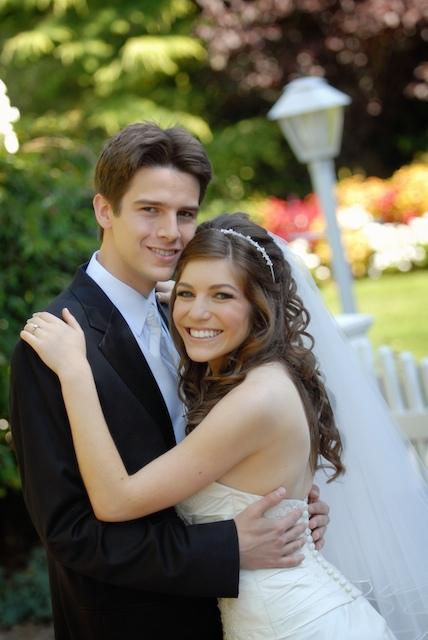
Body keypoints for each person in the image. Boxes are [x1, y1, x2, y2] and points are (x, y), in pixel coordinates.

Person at [10, 124, 329, 640]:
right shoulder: (54, 347)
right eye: (150, 210)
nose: (171, 232)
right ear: (104, 210)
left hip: (240, 614)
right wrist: (227, 548)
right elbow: (71, 533)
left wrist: (283, 507)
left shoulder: (191, 317)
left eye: (185, 214)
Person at [21, 212, 399, 638]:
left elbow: (115, 501)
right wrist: (195, 302)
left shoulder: (256, 399)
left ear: (259, 305)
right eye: (187, 292)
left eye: (222, 295)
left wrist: (76, 372)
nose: (197, 312)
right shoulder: (271, 374)